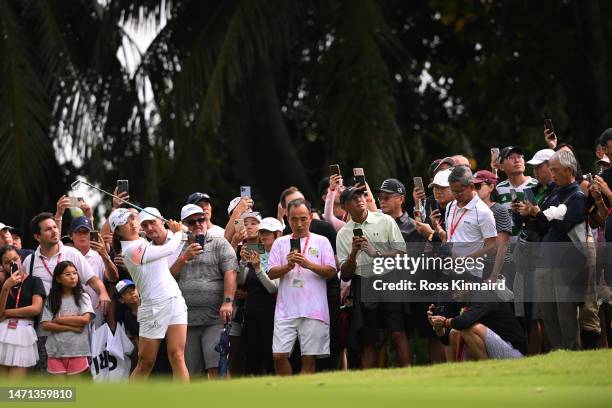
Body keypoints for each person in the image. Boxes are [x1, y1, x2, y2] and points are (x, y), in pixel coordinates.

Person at [22, 212, 111, 372]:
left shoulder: (72, 253)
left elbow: (93, 280)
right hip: (45, 330)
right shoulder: (30, 261)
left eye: (55, 227)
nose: (54, 231)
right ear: (37, 236)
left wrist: (103, 292)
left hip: (74, 330)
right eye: (48, 229)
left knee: (79, 378)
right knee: (49, 379)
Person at [517, 150, 588, 350]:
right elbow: (544, 226)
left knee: (565, 313)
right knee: (548, 314)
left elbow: (564, 227)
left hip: (566, 263)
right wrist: (531, 214)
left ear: (568, 170)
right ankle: (559, 352)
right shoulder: (555, 194)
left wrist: (539, 214)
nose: (552, 173)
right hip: (545, 261)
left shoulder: (577, 197)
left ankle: (573, 351)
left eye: (555, 170)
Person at [109, 208, 190, 382]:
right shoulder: (131, 250)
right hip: (154, 307)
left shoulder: (145, 242)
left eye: (132, 218)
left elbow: (168, 242)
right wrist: (178, 232)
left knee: (177, 355)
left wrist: (176, 231)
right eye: (125, 222)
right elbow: (168, 249)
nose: (132, 223)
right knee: (145, 363)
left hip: (175, 300)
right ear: (117, 231)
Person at [375, 178, 446, 365]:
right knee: (398, 333)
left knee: (431, 334)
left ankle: (440, 372)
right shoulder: (376, 227)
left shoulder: (415, 226)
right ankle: (407, 374)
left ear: (400, 199)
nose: (382, 200)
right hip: (392, 289)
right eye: (380, 197)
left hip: (418, 288)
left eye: (387, 196)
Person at [337, 186, 405, 369]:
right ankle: (370, 381)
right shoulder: (343, 233)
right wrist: (353, 254)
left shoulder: (385, 220)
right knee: (368, 339)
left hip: (389, 279)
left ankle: (409, 375)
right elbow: (345, 274)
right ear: (345, 207)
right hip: (363, 284)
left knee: (397, 332)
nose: (360, 198)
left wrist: (376, 254)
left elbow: (402, 253)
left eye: (361, 194)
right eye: (353, 197)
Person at [268, 198, 337, 375]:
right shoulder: (280, 242)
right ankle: (288, 393)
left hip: (314, 309)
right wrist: (288, 266)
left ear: (310, 218)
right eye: (294, 219)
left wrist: (308, 264)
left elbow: (331, 272)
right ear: (288, 219)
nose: (298, 224)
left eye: (303, 219)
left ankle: (303, 397)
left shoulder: (322, 241)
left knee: (309, 358)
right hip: (285, 309)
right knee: (278, 355)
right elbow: (271, 272)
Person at [173, 204, 237, 379]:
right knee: (193, 375)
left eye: (201, 219)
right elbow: (166, 276)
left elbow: (230, 272)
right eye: (192, 222)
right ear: (184, 225)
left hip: (214, 318)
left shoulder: (219, 243)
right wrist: (184, 257)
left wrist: (228, 302)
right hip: (186, 321)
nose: (198, 224)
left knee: (217, 368)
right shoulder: (176, 247)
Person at [428, 283, 527, 361]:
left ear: (467, 284)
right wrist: (438, 327)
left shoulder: (483, 295)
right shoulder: (469, 300)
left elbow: (464, 322)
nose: (453, 296)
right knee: (455, 332)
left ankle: (487, 372)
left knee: (470, 329)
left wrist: (445, 322)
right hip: (498, 349)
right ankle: (459, 377)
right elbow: (447, 341)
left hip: (514, 353)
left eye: (455, 290)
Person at [240, 217, 283, 375]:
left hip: (271, 312)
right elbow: (241, 282)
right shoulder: (255, 249)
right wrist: (243, 264)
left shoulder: (281, 254)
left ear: (277, 234)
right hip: (251, 311)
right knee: (251, 356)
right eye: (262, 232)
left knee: (269, 355)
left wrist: (258, 269)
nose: (264, 235)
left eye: (268, 232)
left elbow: (272, 288)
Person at [41, 261, 95, 376]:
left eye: (75, 273)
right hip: (55, 351)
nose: (72, 277)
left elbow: (85, 320)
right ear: (58, 279)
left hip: (77, 350)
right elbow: (46, 325)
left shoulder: (83, 297)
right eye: (68, 274)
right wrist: (74, 327)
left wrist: (58, 320)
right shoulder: (51, 300)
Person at [445, 166, 498, 280]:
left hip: (470, 274)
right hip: (448, 269)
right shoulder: (451, 205)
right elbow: (450, 236)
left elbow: (493, 246)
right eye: (453, 191)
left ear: (471, 186)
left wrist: (465, 259)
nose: (456, 195)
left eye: (459, 191)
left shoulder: (483, 212)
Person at [0, 245, 45, 377]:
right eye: (8, 263)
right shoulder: (3, 284)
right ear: (2, 265)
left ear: (21, 258)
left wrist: (8, 313)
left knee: (15, 385)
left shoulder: (34, 281)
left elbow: (35, 309)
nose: (13, 264)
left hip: (23, 332)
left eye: (15, 259)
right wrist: (6, 287)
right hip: (2, 332)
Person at [69, 216, 119, 328]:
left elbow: (113, 278)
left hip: (96, 314)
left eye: (85, 231)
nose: (82, 235)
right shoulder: (66, 255)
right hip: (71, 313)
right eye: (78, 232)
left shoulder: (99, 255)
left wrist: (105, 256)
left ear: (91, 235)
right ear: (71, 236)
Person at [472, 170, 512, 283]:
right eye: (472, 186)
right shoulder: (471, 210)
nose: (474, 189)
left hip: (496, 267)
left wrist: (494, 275)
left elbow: (501, 247)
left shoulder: (500, 210)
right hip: (476, 266)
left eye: (478, 186)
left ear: (491, 187)